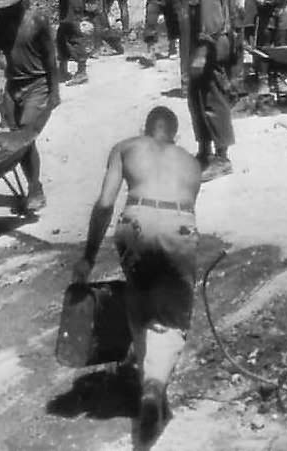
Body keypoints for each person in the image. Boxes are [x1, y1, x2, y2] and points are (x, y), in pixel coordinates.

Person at [71, 106, 201, 445]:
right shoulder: (191, 161)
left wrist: (87, 257)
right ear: (175, 135)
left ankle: (148, 380)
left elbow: (104, 204)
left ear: (145, 129)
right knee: (172, 314)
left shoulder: (126, 147)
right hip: (179, 226)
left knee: (141, 303)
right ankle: (154, 387)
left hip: (135, 223)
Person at [0, 0, 59, 212]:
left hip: (38, 85)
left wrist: (54, 93)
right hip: (13, 84)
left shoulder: (37, 21)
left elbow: (50, 59)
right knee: (15, 138)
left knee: (26, 138)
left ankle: (35, 188)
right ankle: (31, 183)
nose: (4, 12)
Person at [184, 0, 235, 178]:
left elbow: (212, 25)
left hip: (210, 50)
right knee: (197, 100)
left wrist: (202, 55)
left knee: (213, 101)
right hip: (202, 48)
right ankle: (204, 151)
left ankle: (222, 158)